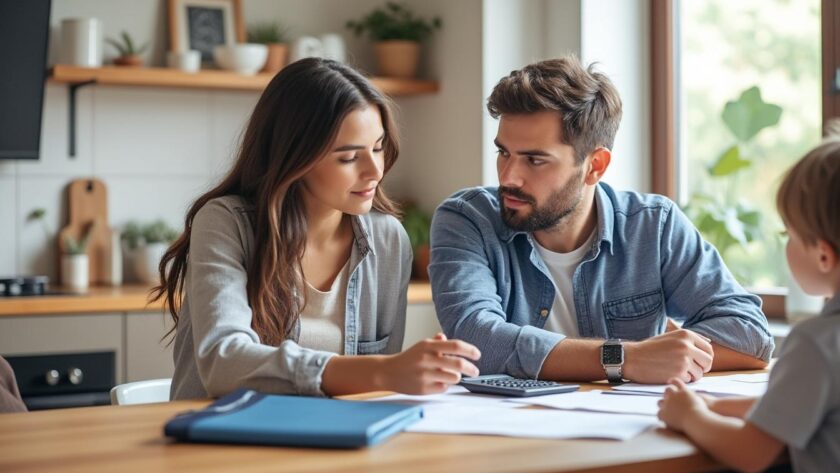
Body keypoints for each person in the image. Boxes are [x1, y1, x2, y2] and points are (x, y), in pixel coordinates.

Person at [429, 56, 773, 385]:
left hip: (628, 434)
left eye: (534, 160)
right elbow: (474, 339)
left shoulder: (654, 227)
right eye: (504, 152)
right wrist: (626, 358)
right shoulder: (467, 219)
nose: (509, 177)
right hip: (506, 437)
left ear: (595, 166)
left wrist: (674, 354)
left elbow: (750, 334)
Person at [154, 58, 480, 400]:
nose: (374, 171)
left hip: (332, 441)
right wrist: (384, 370)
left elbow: (371, 395)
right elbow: (223, 362)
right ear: (295, 157)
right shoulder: (226, 223)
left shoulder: (388, 240)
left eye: (378, 148)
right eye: (349, 158)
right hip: (219, 439)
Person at [657, 133, 840, 473]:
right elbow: (796, 406)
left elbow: (750, 453)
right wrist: (714, 406)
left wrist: (690, 415)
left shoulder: (816, 343)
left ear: (824, 255)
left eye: (789, 235)